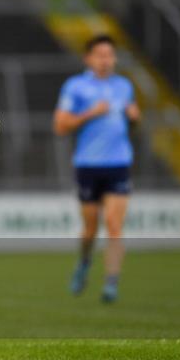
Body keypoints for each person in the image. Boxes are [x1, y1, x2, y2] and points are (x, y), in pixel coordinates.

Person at [53, 35, 140, 303]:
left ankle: (111, 282)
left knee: (114, 225)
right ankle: (84, 263)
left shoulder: (124, 86)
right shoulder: (76, 87)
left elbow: (131, 119)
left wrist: (134, 118)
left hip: (119, 164)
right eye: (100, 54)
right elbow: (60, 125)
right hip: (88, 165)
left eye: (110, 55)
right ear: (88, 58)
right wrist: (91, 113)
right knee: (90, 229)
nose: (106, 60)